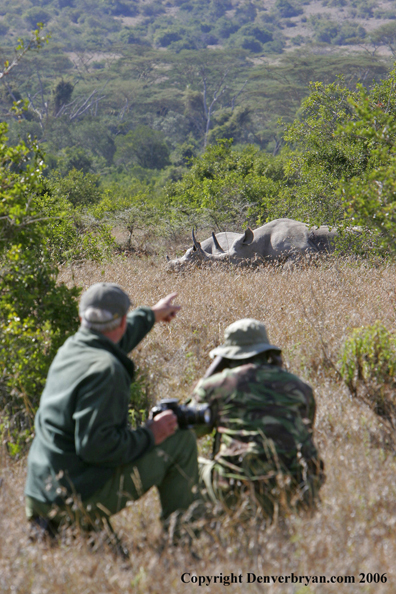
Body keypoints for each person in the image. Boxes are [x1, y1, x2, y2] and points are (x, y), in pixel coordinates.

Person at [25, 282, 198, 535]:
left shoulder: (71, 348)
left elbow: (112, 338)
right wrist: (151, 434)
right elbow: (97, 446)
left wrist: (151, 314)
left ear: (82, 317)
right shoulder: (107, 371)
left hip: (40, 493)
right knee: (180, 439)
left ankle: (73, 531)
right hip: (73, 498)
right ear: (121, 322)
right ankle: (186, 543)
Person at [188, 318, 325, 518]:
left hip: (232, 490)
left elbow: (189, 429)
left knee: (181, 460)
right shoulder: (300, 388)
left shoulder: (215, 386)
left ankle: (191, 528)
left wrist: (208, 377)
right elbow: (305, 430)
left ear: (228, 356)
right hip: (287, 490)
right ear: (267, 353)